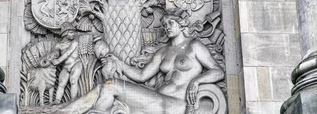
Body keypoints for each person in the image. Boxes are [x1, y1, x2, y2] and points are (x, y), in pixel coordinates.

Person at [57, 9, 225, 114]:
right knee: (104, 87)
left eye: (171, 23)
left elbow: (218, 71)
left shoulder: (194, 46)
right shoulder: (163, 51)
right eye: (165, 24)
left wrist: (196, 81)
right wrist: (115, 60)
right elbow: (141, 75)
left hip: (175, 105)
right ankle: (61, 111)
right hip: (157, 100)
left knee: (111, 86)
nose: (167, 27)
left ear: (181, 24)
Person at [51, 23, 83, 103]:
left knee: (73, 80)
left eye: (73, 32)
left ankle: (73, 100)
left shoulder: (75, 42)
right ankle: (57, 101)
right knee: (61, 83)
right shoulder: (58, 45)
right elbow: (56, 54)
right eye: (71, 32)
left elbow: (68, 53)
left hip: (76, 63)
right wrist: (53, 56)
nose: (73, 34)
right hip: (66, 67)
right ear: (65, 33)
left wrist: (58, 61)